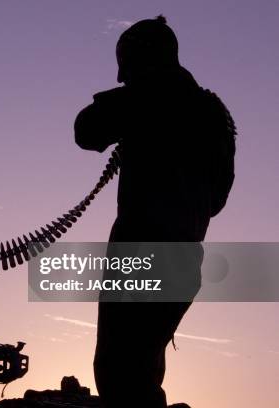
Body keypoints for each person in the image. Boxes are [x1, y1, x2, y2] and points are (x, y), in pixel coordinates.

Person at [74, 16, 235, 408]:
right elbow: (218, 199)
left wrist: (133, 101)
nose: (124, 78)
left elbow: (87, 130)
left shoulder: (149, 94)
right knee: (141, 370)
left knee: (119, 373)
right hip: (185, 259)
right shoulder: (214, 112)